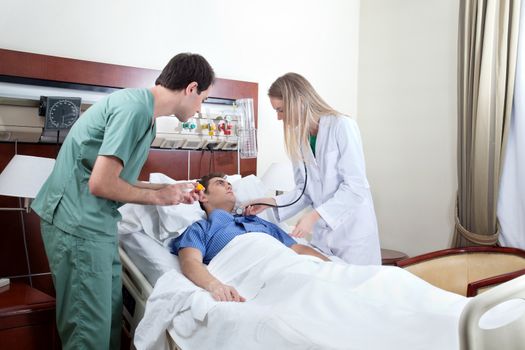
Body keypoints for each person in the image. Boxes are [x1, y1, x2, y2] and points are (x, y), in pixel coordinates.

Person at [31, 53, 214, 350]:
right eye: (203, 99)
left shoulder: (144, 115)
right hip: (78, 225)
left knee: (107, 326)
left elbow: (117, 178)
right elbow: (101, 183)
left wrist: (171, 189)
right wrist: (158, 197)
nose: (200, 109)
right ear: (191, 88)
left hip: (94, 226)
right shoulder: (134, 111)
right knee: (88, 335)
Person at [245, 73, 381, 266]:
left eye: (281, 110)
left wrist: (315, 216)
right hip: (324, 237)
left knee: (358, 289)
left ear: (298, 101)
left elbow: (355, 186)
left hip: (353, 233)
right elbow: (304, 191)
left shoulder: (342, 126)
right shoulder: (299, 139)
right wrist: (270, 202)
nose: (278, 117)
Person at [170, 172, 329, 302]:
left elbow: (298, 248)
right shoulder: (200, 228)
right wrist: (215, 285)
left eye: (229, 184)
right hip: (258, 276)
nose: (228, 186)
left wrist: (330, 265)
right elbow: (190, 261)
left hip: (291, 266)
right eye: (220, 183)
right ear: (203, 196)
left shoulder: (257, 221)